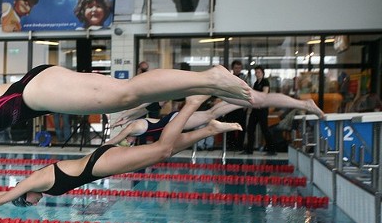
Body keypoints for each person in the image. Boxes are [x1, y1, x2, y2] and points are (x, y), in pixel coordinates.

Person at [0, 64, 253, 223]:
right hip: (39, 98)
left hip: (34, 90)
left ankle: (209, 79)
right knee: (118, 98)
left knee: (122, 93)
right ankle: (202, 87)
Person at [0, 95, 241, 207]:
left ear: (27, 195)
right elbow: (9, 195)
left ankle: (190, 105)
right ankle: (210, 130)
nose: (33, 204)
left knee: (161, 150)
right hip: (98, 161)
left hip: (98, 165)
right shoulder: (40, 185)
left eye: (28, 203)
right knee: (164, 152)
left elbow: (6, 196)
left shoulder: (35, 180)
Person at [108, 90, 323, 147]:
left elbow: (112, 141)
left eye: (127, 142)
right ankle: (302, 104)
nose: (128, 142)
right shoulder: (136, 124)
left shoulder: (133, 128)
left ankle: (303, 104)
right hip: (175, 119)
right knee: (252, 101)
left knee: (215, 112)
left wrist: (99, 150)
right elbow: (144, 104)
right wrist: (124, 116)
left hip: (177, 120)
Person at [243, 66, 274, 155]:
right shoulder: (256, 83)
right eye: (256, 72)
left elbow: (264, 93)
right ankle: (249, 150)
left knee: (264, 129)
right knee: (250, 129)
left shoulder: (265, 81)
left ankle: (271, 150)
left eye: (259, 72)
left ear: (262, 73)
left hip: (262, 109)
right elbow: (253, 96)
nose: (257, 74)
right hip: (255, 109)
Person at [224, 60, 248, 150]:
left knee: (241, 127)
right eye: (236, 68)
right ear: (233, 68)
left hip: (241, 106)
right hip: (230, 105)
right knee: (230, 126)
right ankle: (231, 145)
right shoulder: (229, 78)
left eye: (239, 68)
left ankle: (240, 145)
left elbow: (247, 91)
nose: (238, 69)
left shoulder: (244, 78)